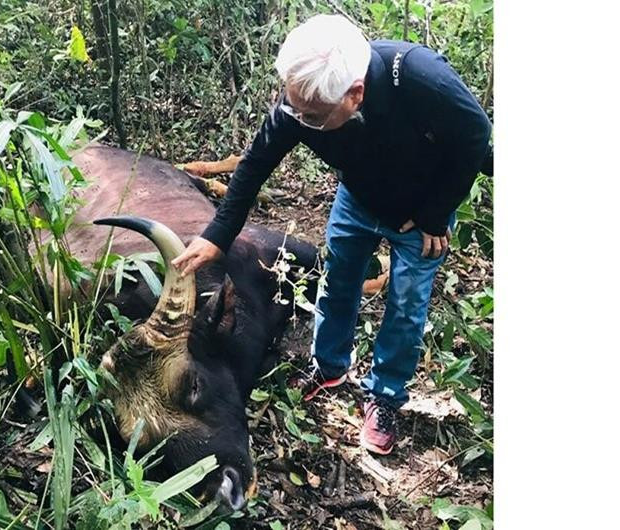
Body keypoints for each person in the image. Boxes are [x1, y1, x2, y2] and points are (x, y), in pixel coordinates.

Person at [172, 14, 492, 455]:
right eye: (294, 108)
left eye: (314, 116)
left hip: (420, 218)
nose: (299, 120)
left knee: (405, 306)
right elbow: (254, 166)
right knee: (336, 281)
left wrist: (436, 214)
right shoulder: (301, 104)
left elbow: (477, 137)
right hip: (359, 200)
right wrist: (217, 235)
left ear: (355, 95)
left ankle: (384, 397)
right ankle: (329, 367)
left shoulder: (420, 78)